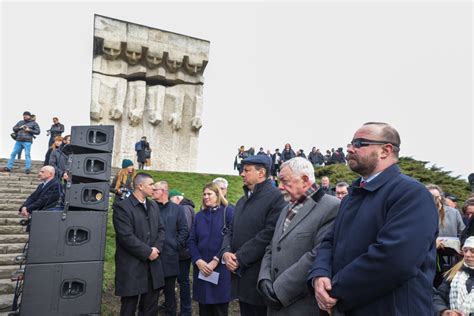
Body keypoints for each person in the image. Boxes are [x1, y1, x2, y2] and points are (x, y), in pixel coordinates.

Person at [308, 122, 438, 315]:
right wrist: (319, 274)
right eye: (351, 143)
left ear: (385, 150)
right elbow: (329, 241)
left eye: (360, 143)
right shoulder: (352, 196)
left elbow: (395, 260)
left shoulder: (411, 194)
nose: (350, 149)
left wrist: (335, 289)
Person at [258, 157, 340, 315]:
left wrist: (279, 290)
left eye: (284, 181)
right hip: (275, 304)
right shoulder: (287, 207)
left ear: (304, 180)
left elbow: (318, 254)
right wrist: (264, 279)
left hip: (301, 306)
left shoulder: (331, 207)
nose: (279, 186)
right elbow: (272, 246)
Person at [220, 155, 287, 316]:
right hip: (240, 276)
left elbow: (268, 234)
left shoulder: (276, 198)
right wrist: (226, 252)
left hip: (258, 278)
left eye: (247, 170)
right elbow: (230, 230)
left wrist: (239, 258)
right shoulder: (243, 201)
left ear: (261, 173)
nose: (242, 174)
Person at [113, 173, 166, 316]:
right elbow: (126, 236)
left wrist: (156, 249)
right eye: (151, 184)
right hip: (132, 267)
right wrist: (148, 252)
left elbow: (161, 230)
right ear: (140, 186)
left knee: (150, 308)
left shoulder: (153, 205)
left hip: (152, 267)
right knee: (129, 307)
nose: (154, 188)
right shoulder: (122, 207)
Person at [188, 182, 235, 316]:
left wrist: (216, 260)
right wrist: (198, 260)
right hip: (202, 269)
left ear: (218, 194)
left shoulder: (229, 212)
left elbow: (231, 239)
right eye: (204, 194)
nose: (206, 197)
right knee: (204, 308)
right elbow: (191, 240)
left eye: (209, 194)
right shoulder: (199, 215)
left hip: (220, 268)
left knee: (219, 309)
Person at [151, 181, 188, 316]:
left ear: (164, 192)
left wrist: (175, 245)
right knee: (150, 293)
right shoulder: (150, 207)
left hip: (170, 257)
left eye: (155, 189)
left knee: (169, 292)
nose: (152, 191)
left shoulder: (177, 209)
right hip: (152, 256)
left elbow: (184, 230)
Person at [427, 184, 465, 287]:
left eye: (437, 196)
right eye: (431, 196)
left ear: (441, 196)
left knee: (446, 280)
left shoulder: (453, 213)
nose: (434, 199)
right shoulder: (421, 212)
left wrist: (461, 246)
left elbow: (463, 231)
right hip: (429, 254)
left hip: (449, 255)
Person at [169, 189, 195, 316]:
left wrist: (175, 245)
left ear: (177, 199)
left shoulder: (184, 209)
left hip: (183, 253)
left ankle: (186, 310)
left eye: (171, 200)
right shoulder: (187, 207)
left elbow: (185, 230)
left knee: (183, 282)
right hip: (183, 251)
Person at [433, 236, 474, 316]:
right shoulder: (453, 273)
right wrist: (444, 312)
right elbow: (438, 296)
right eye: (465, 251)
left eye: (473, 251)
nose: (467, 254)